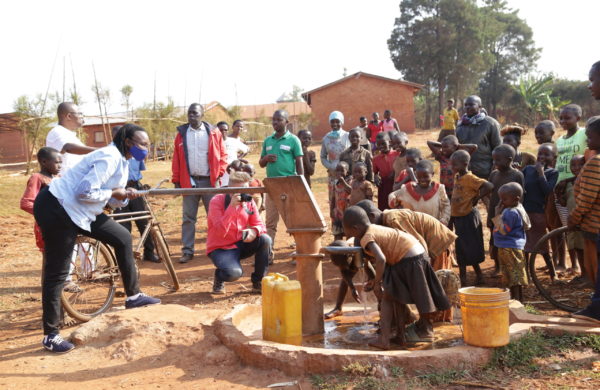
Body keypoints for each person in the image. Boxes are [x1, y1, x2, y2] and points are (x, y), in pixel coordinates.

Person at [33, 124, 161, 353]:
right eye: (143, 144)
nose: (147, 149)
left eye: (148, 145)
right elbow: (84, 191)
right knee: (58, 273)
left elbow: (109, 199)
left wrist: (123, 197)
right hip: (57, 208)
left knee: (122, 237)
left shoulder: (123, 160)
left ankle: (134, 296)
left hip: (82, 210)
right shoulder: (109, 157)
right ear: (129, 142)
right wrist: (114, 193)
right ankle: (50, 335)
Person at [343, 206, 450, 349]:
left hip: (408, 259)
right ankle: (401, 336)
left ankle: (384, 340)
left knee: (387, 298)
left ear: (356, 228)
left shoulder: (366, 238)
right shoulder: (375, 228)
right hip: (415, 255)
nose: (346, 234)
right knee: (395, 297)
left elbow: (380, 259)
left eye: (347, 231)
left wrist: (376, 283)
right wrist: (375, 280)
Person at [355, 200, 457, 322]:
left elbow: (417, 243)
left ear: (372, 216)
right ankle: (422, 320)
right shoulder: (383, 225)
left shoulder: (392, 219)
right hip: (424, 250)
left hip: (436, 242)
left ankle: (435, 324)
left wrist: (423, 269)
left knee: (436, 286)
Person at [171, 103, 228, 264]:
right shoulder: (181, 134)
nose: (191, 116)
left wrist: (220, 173)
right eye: (189, 113)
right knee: (188, 218)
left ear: (202, 114)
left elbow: (223, 155)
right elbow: (176, 158)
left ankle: (216, 248)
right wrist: (176, 179)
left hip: (209, 182)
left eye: (195, 113)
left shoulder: (213, 132)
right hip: (189, 182)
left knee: (214, 216)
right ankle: (187, 251)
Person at [206, 171, 271, 294]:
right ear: (229, 189)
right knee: (233, 274)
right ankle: (220, 276)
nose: (243, 193)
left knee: (265, 239)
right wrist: (232, 207)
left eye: (245, 189)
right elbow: (220, 232)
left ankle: (258, 282)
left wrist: (254, 230)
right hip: (221, 247)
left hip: (240, 242)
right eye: (239, 189)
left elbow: (260, 225)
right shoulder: (217, 201)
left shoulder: (248, 201)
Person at [571, 61, 600, 323]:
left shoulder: (596, 163)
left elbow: (588, 196)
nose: (589, 85)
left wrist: (575, 218)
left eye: (592, 79)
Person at [111, 126, 159, 263]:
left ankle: (149, 252)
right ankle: (126, 258)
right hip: (119, 191)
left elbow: (140, 171)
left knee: (144, 221)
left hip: (135, 188)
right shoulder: (114, 155)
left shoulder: (137, 152)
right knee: (123, 225)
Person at [259, 110, 304, 256]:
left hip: (288, 185)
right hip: (271, 186)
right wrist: (265, 159)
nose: (275, 122)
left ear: (287, 122)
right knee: (270, 222)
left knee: (293, 221)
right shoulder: (268, 141)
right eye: (273, 120)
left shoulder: (293, 140)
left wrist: (300, 184)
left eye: (279, 120)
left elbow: (299, 163)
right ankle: (268, 254)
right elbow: (261, 164)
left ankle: (301, 251)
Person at [449, 150, 493, 286]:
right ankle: (463, 279)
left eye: (455, 165)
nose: (453, 167)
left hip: (469, 217)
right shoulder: (457, 176)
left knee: (471, 247)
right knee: (461, 248)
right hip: (458, 217)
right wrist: (451, 219)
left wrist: (477, 198)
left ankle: (478, 275)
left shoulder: (470, 178)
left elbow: (489, 186)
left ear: (465, 164)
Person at [523, 143, 559, 282]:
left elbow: (547, 190)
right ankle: (526, 274)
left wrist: (541, 173)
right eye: (540, 154)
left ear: (553, 158)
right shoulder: (527, 169)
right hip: (525, 211)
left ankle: (552, 274)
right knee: (525, 245)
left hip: (538, 213)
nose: (542, 157)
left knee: (542, 245)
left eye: (546, 154)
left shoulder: (552, 173)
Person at [487, 144, 524, 274]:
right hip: (495, 211)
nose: (494, 162)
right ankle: (498, 266)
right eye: (493, 159)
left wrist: (517, 212)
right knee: (495, 240)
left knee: (510, 240)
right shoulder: (494, 174)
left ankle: (513, 267)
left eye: (498, 160)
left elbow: (521, 196)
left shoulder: (517, 175)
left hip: (510, 214)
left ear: (509, 160)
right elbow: (489, 191)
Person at [492, 183, 530, 302]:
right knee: (515, 274)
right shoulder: (519, 208)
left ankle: (517, 301)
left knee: (513, 275)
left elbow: (504, 230)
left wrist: (497, 214)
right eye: (501, 199)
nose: (501, 202)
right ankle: (517, 300)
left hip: (509, 247)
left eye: (504, 199)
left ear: (516, 199)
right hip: (513, 246)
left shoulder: (510, 213)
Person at [20, 147, 62, 252]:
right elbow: (26, 203)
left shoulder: (58, 178)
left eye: (61, 162)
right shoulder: (37, 178)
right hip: (46, 225)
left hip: (60, 223)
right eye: (57, 162)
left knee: (61, 256)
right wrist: (46, 214)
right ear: (44, 162)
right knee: (50, 256)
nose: (60, 166)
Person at [388, 160, 451, 226]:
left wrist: (444, 220)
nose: (422, 179)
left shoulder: (439, 189)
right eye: (419, 176)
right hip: (414, 229)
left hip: (433, 228)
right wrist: (396, 203)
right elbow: (392, 195)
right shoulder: (408, 189)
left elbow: (446, 206)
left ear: (432, 174)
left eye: (426, 176)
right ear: (415, 174)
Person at [456, 95, 502, 180]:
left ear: (480, 106)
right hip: (465, 171)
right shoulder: (460, 125)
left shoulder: (490, 123)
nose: (467, 107)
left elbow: (498, 148)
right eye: (465, 105)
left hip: (485, 171)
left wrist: (495, 167)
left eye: (471, 104)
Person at [46, 102, 95, 175]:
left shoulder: (69, 135)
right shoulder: (57, 132)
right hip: (66, 182)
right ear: (69, 116)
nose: (82, 116)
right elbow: (68, 147)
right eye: (79, 113)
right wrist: (101, 150)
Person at [321, 111, 351, 216]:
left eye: (337, 121)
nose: (335, 124)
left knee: (345, 200)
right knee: (333, 200)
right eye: (332, 122)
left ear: (342, 122)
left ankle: (346, 225)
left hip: (346, 175)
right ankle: (336, 227)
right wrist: (330, 167)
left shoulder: (347, 136)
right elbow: (323, 156)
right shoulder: (326, 138)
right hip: (332, 175)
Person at [561, 155, 585, 276]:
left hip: (583, 222)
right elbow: (564, 201)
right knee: (577, 247)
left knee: (585, 248)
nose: (576, 168)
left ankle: (588, 275)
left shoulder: (587, 182)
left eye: (580, 164)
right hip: (572, 221)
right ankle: (583, 274)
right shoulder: (568, 183)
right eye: (573, 165)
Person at [218, 120, 250, 186]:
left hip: (232, 172)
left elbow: (247, 149)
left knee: (233, 191)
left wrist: (238, 158)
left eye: (225, 130)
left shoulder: (233, 141)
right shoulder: (214, 142)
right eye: (221, 130)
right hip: (219, 172)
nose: (223, 132)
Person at [372, 132, 398, 211]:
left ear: (389, 142)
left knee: (397, 206)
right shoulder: (376, 159)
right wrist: (376, 177)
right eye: (378, 145)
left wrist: (394, 172)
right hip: (384, 186)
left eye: (383, 144)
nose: (381, 147)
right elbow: (374, 172)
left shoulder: (397, 154)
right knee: (384, 208)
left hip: (396, 183)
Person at [331, 162, 351, 241]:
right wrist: (331, 210)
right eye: (337, 171)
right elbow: (333, 197)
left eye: (342, 170)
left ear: (347, 171)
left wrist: (343, 182)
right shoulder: (335, 183)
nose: (339, 173)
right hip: (337, 213)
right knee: (337, 233)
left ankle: (349, 251)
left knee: (349, 234)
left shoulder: (351, 181)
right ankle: (338, 249)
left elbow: (351, 191)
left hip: (347, 212)